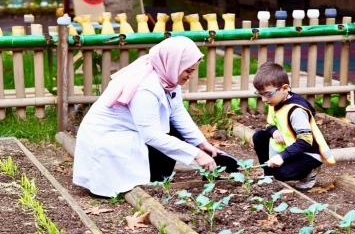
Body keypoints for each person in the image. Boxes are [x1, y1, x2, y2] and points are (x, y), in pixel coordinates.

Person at [73, 36, 223, 198]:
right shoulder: (145, 87)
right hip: (108, 138)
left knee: (173, 130)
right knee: (163, 136)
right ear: (172, 64)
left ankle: (156, 178)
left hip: (131, 130)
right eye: (188, 71)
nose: (191, 76)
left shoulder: (167, 77)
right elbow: (151, 135)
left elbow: (177, 112)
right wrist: (196, 155)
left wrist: (201, 143)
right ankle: (149, 180)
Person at [252, 62, 336, 189]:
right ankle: (268, 175)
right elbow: (270, 124)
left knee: (280, 173)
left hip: (308, 152)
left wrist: (281, 156)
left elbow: (306, 141)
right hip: (290, 146)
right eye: (261, 94)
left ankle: (310, 172)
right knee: (259, 136)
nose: (264, 99)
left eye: (267, 94)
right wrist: (274, 131)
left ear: (284, 88)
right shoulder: (274, 101)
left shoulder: (296, 111)